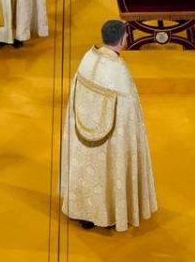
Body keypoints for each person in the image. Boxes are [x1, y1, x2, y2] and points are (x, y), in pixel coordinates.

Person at [60, 20, 157, 231]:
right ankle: (110, 215)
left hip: (82, 135)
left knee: (88, 172)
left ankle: (84, 214)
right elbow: (129, 112)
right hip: (110, 140)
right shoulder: (117, 71)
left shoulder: (87, 59)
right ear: (123, 40)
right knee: (109, 172)